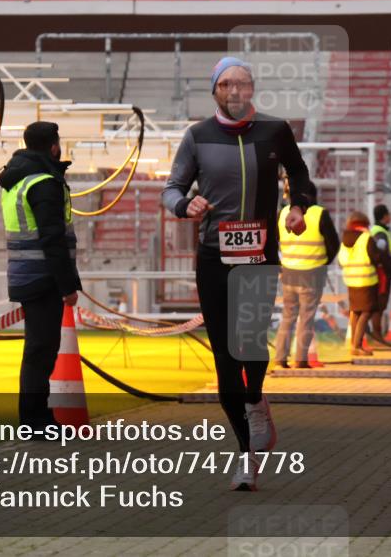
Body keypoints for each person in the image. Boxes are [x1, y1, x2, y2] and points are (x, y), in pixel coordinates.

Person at [162, 56, 313, 491]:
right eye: (225, 84)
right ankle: (246, 454)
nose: (233, 91)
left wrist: (297, 206)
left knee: (248, 345)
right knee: (224, 359)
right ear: (214, 91)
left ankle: (256, 399)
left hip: (260, 253)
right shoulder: (197, 137)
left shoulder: (275, 131)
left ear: (252, 90)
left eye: (241, 83)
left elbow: (299, 173)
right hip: (214, 257)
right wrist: (183, 205)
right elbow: (172, 187)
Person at [0, 121, 82, 433]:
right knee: (41, 351)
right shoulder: (44, 183)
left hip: (26, 273)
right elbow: (52, 238)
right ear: (54, 146)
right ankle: (35, 421)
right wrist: (68, 285)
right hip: (42, 277)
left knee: (38, 350)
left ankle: (34, 418)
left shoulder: (17, 179)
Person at [274, 181, 339, 368]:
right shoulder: (319, 213)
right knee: (306, 317)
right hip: (312, 273)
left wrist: (280, 264)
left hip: (288, 272)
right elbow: (333, 244)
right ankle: (300, 359)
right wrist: (324, 262)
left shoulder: (283, 213)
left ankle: (280, 358)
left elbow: (273, 241)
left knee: (288, 317)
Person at [338, 211, 388, 356]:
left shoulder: (344, 239)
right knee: (366, 312)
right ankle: (357, 345)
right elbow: (375, 257)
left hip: (350, 279)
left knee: (356, 311)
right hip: (366, 280)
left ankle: (354, 344)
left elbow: (341, 260)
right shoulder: (366, 238)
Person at [369, 204, 391, 343]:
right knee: (380, 303)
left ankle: (376, 334)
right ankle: (377, 335)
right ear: (384, 216)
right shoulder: (380, 232)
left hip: (380, 271)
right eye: (388, 214)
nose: (390, 217)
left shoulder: (378, 230)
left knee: (378, 303)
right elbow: (383, 253)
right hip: (382, 273)